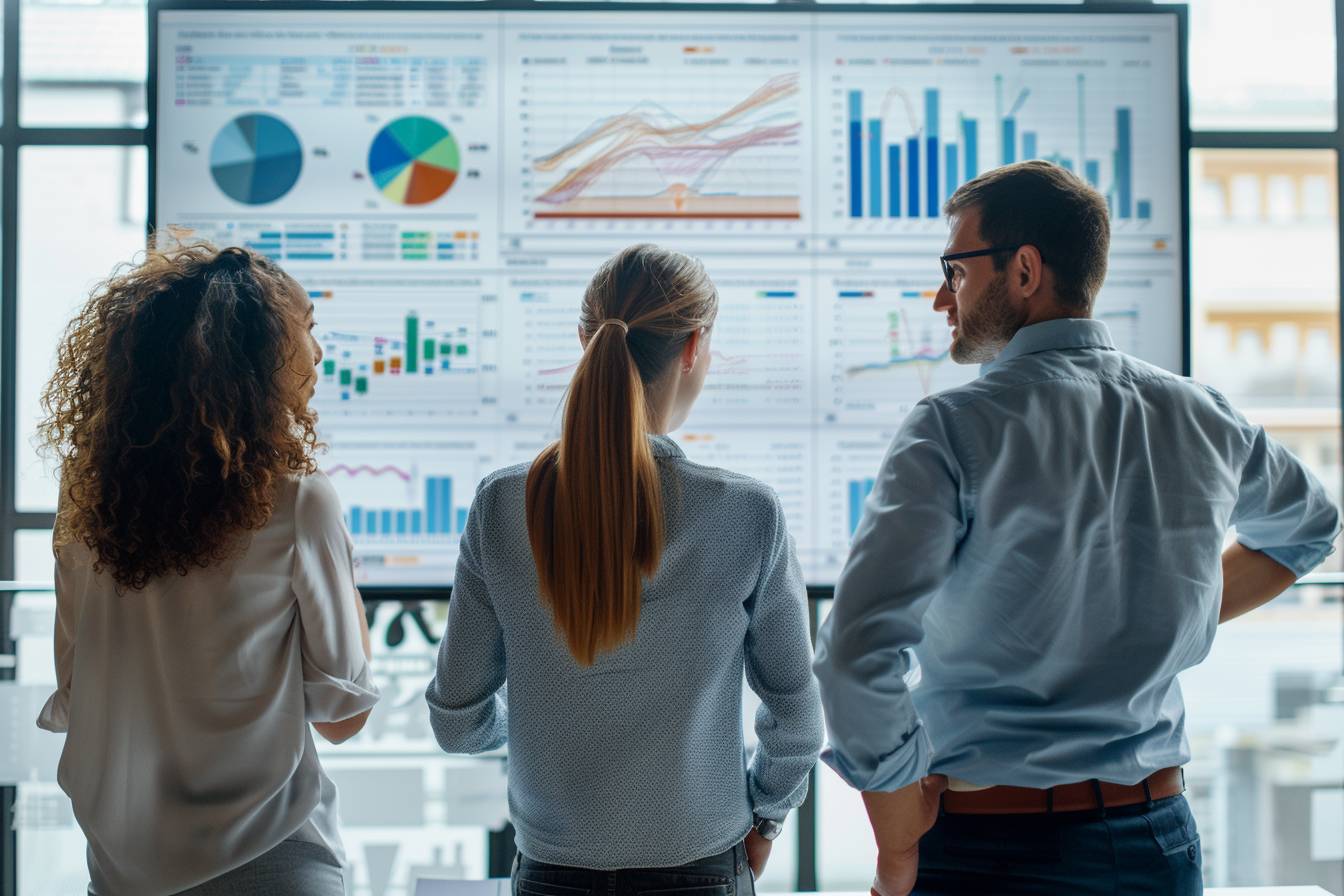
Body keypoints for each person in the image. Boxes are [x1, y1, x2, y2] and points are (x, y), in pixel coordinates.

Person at [812, 161, 1341, 895]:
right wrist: (1173, 610)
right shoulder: (1201, 414)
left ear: (1024, 270)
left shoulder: (954, 427)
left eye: (955, 271)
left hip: (987, 853)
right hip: (1158, 842)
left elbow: (855, 653)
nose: (942, 297)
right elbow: (1308, 528)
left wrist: (898, 840)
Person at [426, 243, 823, 895]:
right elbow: (797, 717)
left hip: (549, 875)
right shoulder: (745, 512)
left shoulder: (502, 507)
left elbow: (456, 722)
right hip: (702, 871)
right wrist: (767, 818)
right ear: (695, 347)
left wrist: (534, 727)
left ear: (584, 340)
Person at [36, 241, 379, 896]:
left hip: (120, 871)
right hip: (273, 863)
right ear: (258, 357)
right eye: (307, 329)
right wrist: (346, 573)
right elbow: (343, 715)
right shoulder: (298, 499)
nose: (320, 352)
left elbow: (78, 686)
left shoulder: (86, 502)